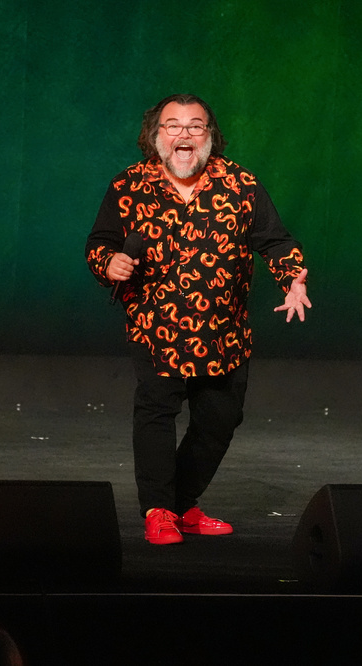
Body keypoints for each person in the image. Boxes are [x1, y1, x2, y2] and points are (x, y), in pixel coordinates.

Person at [85, 93, 310, 545]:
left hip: (223, 332)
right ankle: (158, 511)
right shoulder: (128, 186)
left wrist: (293, 280)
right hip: (156, 326)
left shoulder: (240, 184)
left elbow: (275, 241)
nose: (183, 134)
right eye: (172, 125)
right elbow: (100, 243)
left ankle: (181, 504)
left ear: (210, 136)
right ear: (155, 136)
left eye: (195, 126)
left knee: (220, 419)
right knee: (157, 413)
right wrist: (108, 264)